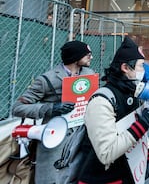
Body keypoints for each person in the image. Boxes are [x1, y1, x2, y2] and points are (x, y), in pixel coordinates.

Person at [78, 37, 149, 183]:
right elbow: (106, 153)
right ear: (125, 68)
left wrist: (148, 153)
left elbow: (134, 131)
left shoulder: (131, 92)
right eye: (141, 66)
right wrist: (143, 124)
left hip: (127, 173)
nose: (144, 71)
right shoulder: (101, 101)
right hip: (103, 178)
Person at [12, 40, 94, 184]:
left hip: (81, 136)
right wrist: (50, 108)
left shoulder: (89, 74)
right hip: (55, 137)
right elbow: (18, 107)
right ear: (75, 57)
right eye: (87, 55)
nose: (91, 57)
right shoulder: (47, 79)